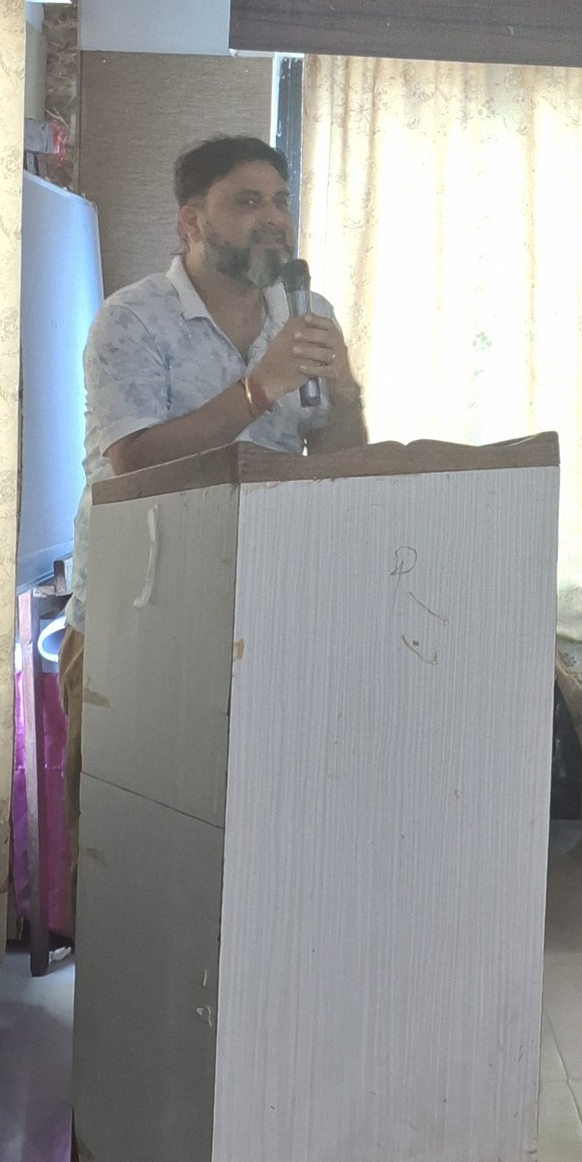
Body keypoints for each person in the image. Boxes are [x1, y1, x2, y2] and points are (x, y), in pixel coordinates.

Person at [58, 134, 367, 857]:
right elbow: (134, 462)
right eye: (248, 201)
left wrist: (346, 392)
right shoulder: (131, 320)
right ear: (191, 221)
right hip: (136, 618)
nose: (275, 218)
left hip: (263, 617)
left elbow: (339, 462)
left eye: (281, 201)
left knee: (254, 843)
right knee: (125, 850)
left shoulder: (305, 311)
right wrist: (259, 388)